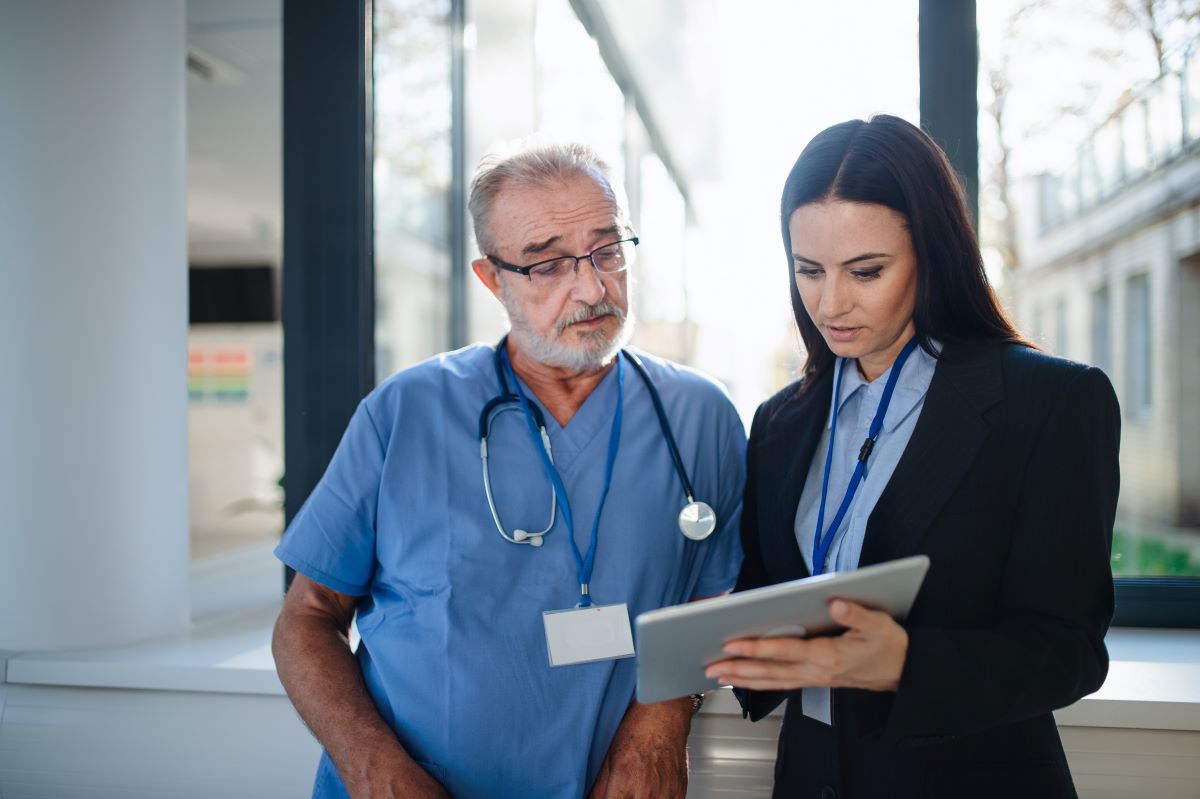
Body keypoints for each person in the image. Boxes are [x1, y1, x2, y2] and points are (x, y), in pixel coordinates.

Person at [271, 141, 746, 799]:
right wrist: (372, 768)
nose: (592, 286)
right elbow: (308, 616)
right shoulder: (404, 411)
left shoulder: (700, 417)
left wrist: (664, 713)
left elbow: (715, 596)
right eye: (548, 263)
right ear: (492, 278)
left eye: (607, 250)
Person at [704, 115, 1120, 799]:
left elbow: (1070, 651)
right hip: (812, 775)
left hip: (971, 778)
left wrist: (905, 661)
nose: (830, 303)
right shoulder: (779, 421)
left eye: (866, 271)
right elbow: (769, 589)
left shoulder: (1049, 402)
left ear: (932, 253)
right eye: (808, 270)